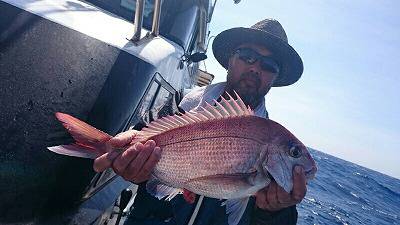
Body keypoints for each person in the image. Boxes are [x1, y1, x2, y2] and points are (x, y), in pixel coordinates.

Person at [94, 18, 307, 225]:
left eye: (270, 65)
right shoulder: (181, 104)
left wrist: (274, 213)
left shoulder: (274, 141)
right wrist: (131, 161)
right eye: (247, 55)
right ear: (230, 59)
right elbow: (144, 135)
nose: (256, 68)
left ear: (275, 78)